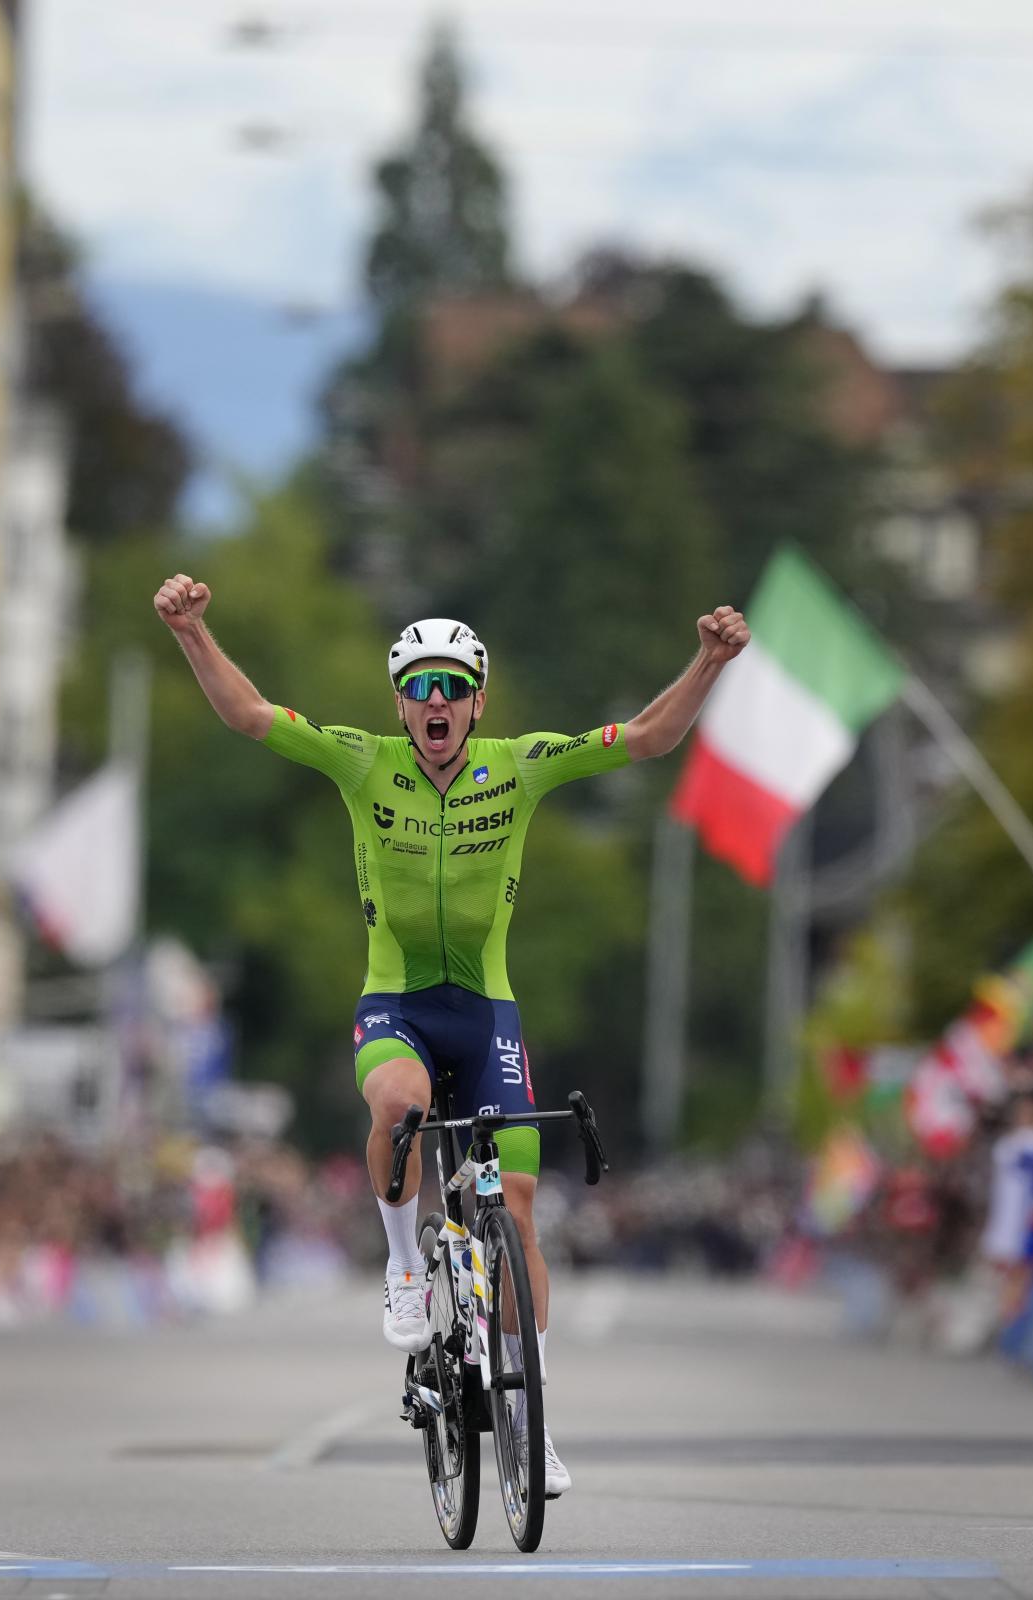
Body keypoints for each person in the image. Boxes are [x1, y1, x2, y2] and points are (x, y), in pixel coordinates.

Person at [152, 573, 750, 1499]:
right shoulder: (361, 760)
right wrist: (193, 632)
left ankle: (529, 1413)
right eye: (419, 688)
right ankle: (401, 1269)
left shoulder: (519, 763)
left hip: (486, 1011)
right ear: (400, 703)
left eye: (453, 687)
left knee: (515, 1204)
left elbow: (645, 738)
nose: (437, 703)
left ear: (479, 700)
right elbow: (250, 715)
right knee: (402, 1103)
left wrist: (708, 662)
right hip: (395, 999)